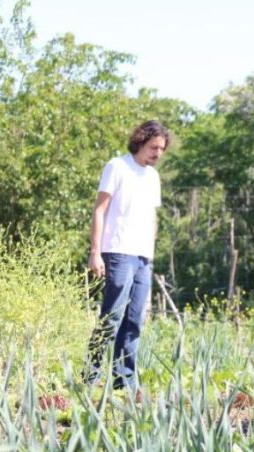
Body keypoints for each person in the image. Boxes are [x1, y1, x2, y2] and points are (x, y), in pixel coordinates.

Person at [85, 120, 170, 394]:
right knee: (111, 316)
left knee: (134, 320)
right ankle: (91, 377)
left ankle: (124, 382)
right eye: (153, 147)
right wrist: (95, 252)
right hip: (118, 251)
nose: (157, 153)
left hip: (143, 256)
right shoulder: (117, 166)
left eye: (161, 149)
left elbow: (151, 216)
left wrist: (151, 253)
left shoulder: (153, 177)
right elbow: (99, 210)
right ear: (140, 142)